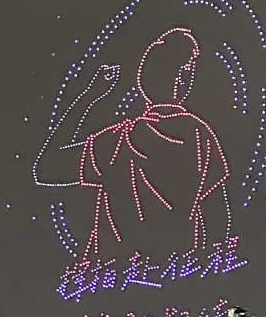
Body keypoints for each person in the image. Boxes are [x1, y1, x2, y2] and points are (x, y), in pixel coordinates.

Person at [34, 28, 230, 259]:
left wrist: (89, 96)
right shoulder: (201, 136)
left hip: (118, 277)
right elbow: (218, 215)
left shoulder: (117, 141)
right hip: (176, 275)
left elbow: (47, 168)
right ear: (184, 79)